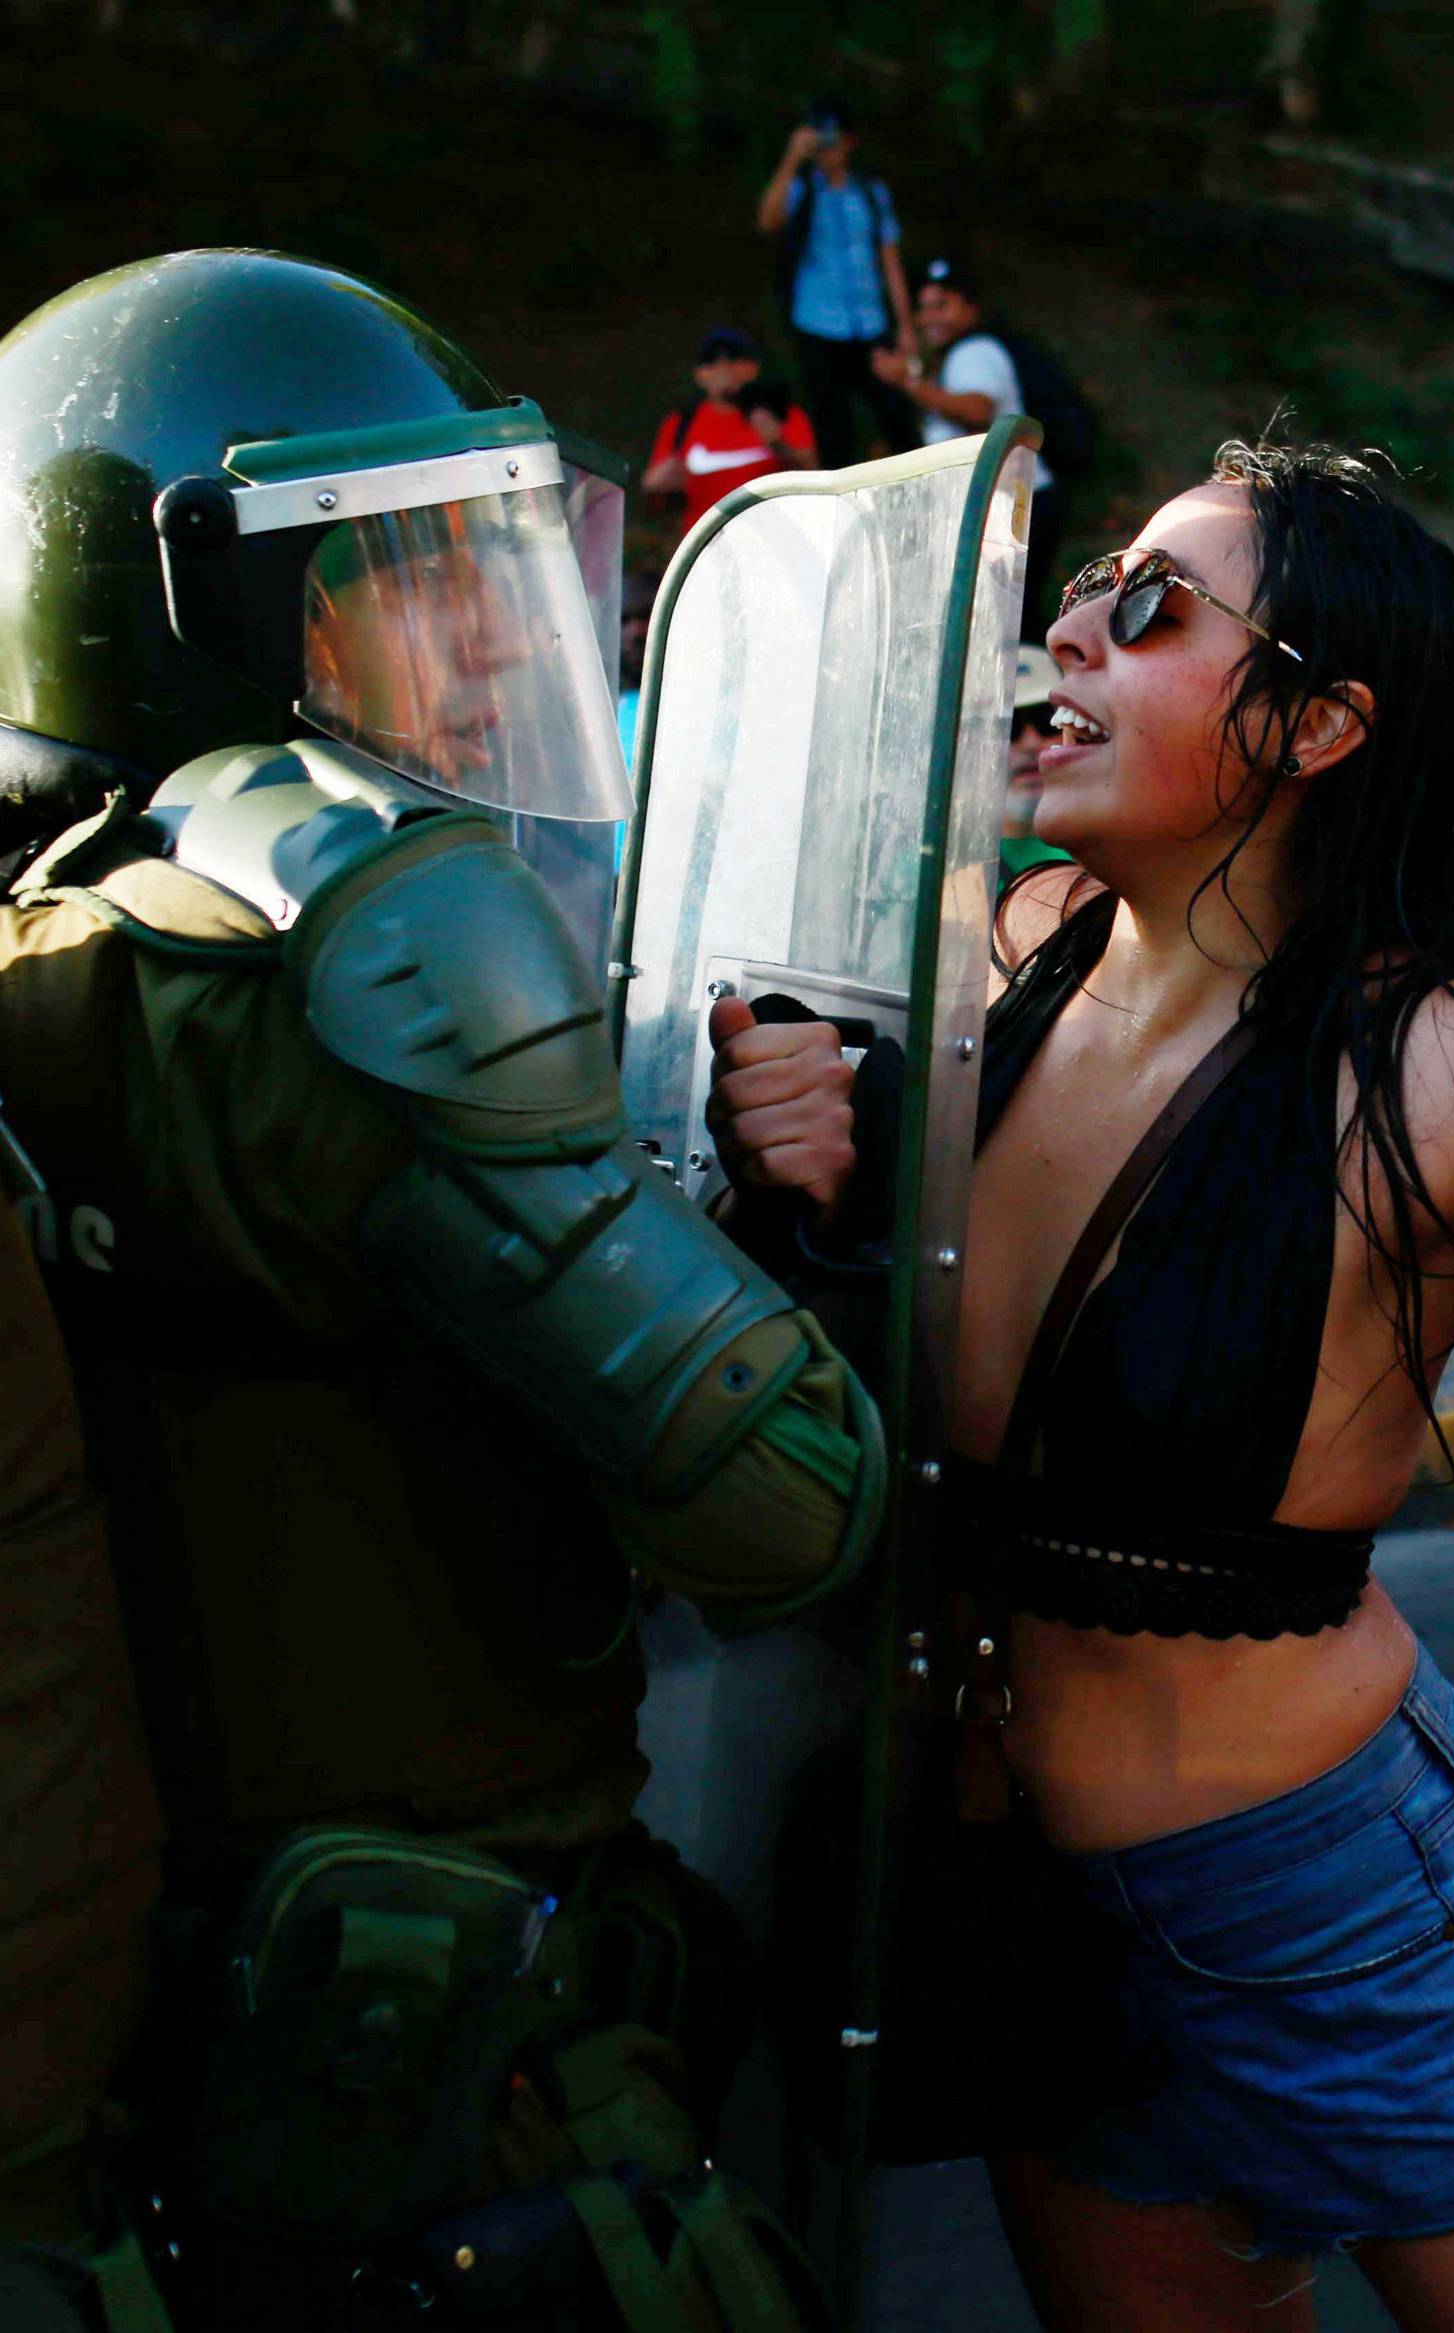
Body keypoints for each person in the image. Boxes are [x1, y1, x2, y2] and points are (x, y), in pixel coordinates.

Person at [707, 436, 1454, 2332]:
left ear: (1318, 726)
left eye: (1156, 610)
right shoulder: (993, 972)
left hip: (1337, 1902)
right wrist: (793, 1143)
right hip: (1025, 1904)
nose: (1073, 636)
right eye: (1090, 587)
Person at [0, 249, 880, 2330]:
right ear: (197, 615)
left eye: (499, 554)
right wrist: (752, 1207)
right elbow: (791, 1504)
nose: (502, 634)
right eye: (404, 576)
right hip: (471, 2049)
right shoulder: (365, 963)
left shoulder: (70, 942)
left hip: (198, 2021)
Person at [872, 256, 1065, 636]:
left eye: (942, 305)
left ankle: (1042, 691)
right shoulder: (956, 357)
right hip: (1016, 502)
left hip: (1017, 503)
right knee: (1004, 622)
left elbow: (977, 410)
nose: (930, 318)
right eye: (923, 308)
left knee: (1005, 627)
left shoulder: (973, 352)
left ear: (970, 309)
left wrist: (907, 384)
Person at [753, 101, 917, 470]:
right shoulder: (802, 190)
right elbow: (768, 221)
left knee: (895, 415)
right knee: (831, 423)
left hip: (870, 322)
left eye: (833, 141)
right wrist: (792, 159)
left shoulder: (871, 194)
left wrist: (905, 325)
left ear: (849, 143)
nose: (827, 151)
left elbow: (889, 260)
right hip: (818, 322)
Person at [642, 326, 818, 536]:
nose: (723, 368)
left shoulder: (784, 414)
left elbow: (813, 478)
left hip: (779, 538)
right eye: (711, 361)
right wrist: (658, 483)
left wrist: (777, 444)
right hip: (708, 547)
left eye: (734, 358)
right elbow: (652, 494)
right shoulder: (680, 423)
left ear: (753, 367)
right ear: (699, 374)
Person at [1002, 644, 1076, 891]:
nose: (1031, 742)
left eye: (1047, 721)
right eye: (1008, 727)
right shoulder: (937, 864)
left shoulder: (1114, 855)